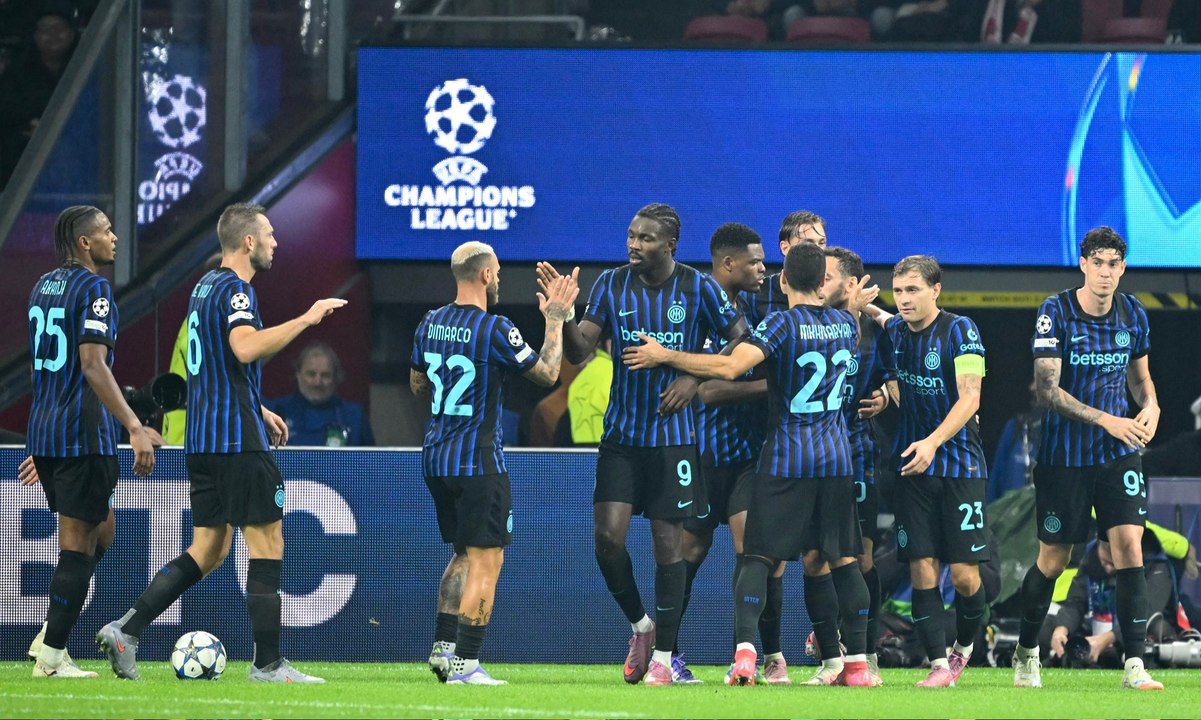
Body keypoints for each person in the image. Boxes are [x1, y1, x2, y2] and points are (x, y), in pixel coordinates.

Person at [94, 202, 345, 683]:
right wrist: (307, 319)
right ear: (248, 242)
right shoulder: (236, 290)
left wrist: (258, 406)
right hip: (237, 444)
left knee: (208, 549)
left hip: (204, 442)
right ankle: (268, 664)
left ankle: (127, 629)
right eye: (269, 234)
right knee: (268, 543)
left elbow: (213, 369)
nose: (275, 242)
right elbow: (244, 348)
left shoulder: (203, 287)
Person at [624, 242, 879, 686]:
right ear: (824, 282)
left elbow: (729, 367)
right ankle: (856, 665)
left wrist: (666, 356)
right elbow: (850, 330)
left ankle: (745, 656)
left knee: (757, 558)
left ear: (785, 280)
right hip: (837, 460)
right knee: (843, 560)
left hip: (787, 458)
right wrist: (852, 307)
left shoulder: (781, 323)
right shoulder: (844, 324)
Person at [535, 203, 747, 686]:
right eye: (631, 235)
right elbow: (580, 350)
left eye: (645, 238)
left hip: (675, 440)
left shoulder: (698, 287)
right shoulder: (611, 284)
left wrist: (693, 378)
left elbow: (743, 341)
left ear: (670, 244)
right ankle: (641, 626)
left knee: (668, 548)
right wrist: (562, 316)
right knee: (607, 541)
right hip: (622, 439)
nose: (634, 244)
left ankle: (664, 660)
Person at [411, 241, 578, 686]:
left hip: (437, 458)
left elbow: (417, 384)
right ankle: (466, 664)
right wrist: (555, 318)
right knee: (488, 559)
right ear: (486, 275)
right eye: (498, 271)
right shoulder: (495, 328)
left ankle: (444, 649)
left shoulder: (429, 323)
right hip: (479, 461)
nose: (499, 278)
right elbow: (547, 373)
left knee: (463, 553)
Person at [1012, 226, 1164, 690]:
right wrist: (1107, 420)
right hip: (1064, 458)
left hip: (1118, 454)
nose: (1105, 272)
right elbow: (1047, 389)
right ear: (1083, 265)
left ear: (1122, 268)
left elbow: (1140, 378)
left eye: (1113, 264)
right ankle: (1026, 651)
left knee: (1130, 546)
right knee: (1053, 560)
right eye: (1097, 263)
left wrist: (1151, 406)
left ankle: (1134, 666)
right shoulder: (1055, 311)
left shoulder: (1133, 312)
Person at [23, 205, 156, 678]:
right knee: (78, 546)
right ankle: (51, 657)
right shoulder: (95, 289)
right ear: (85, 242)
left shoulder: (43, 286)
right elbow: (92, 364)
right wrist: (134, 426)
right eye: (106, 231)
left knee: (103, 527)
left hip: (48, 432)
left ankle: (50, 632)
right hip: (81, 436)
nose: (114, 237)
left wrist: (44, 444)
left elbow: (46, 367)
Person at [864, 255, 989, 688]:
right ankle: (938, 664)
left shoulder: (961, 330)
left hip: (960, 465)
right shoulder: (896, 331)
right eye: (898, 290)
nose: (903, 299)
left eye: (913, 290)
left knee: (965, 576)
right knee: (921, 566)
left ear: (936, 290)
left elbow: (970, 397)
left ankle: (964, 646)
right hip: (912, 467)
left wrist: (933, 441)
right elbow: (881, 319)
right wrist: (862, 303)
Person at [673, 223, 779, 684]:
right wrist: (771, 387)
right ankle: (665, 653)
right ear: (729, 264)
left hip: (746, 456)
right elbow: (709, 391)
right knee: (690, 551)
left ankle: (748, 655)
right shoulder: (695, 308)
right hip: (701, 454)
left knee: (751, 548)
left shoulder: (750, 312)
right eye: (755, 262)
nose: (763, 269)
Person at [822, 245, 888, 685]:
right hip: (813, 454)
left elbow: (898, 380)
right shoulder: (809, 322)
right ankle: (830, 652)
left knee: (860, 557)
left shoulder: (878, 333)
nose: (818, 284)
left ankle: (867, 650)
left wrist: (886, 397)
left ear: (849, 284)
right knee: (819, 557)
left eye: (827, 277)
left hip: (858, 453)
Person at [265, 342, 375, 446]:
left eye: (325, 375)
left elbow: (369, 458)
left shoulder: (355, 416)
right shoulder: (276, 412)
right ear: (298, 375)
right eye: (311, 374)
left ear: (336, 378)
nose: (317, 382)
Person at [750, 209, 827, 322]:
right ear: (785, 247)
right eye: (808, 243)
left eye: (821, 243)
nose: (817, 250)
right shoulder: (754, 297)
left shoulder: (832, 291)